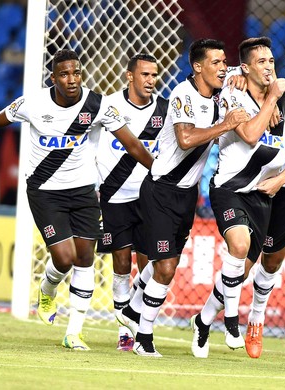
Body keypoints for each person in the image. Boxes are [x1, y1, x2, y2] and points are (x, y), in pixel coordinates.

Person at [0, 49, 154, 351]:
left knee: (85, 257)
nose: (72, 79)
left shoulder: (97, 105)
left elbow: (131, 143)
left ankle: (74, 332)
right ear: (53, 78)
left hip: (83, 191)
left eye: (76, 73)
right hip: (44, 191)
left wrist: (159, 173)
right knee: (64, 258)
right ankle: (48, 288)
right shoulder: (33, 103)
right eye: (64, 74)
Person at [115, 38, 250, 357]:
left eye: (224, 62)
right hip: (162, 189)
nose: (222, 67)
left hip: (186, 194)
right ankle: (143, 339)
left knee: (166, 258)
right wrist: (224, 125)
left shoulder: (220, 87)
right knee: (166, 266)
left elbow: (246, 69)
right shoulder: (182, 95)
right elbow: (186, 138)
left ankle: (132, 310)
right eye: (216, 63)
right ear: (198, 67)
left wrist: (241, 72)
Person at [190, 37, 285, 359]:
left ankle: (202, 321)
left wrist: (282, 179)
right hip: (229, 190)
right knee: (239, 245)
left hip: (262, 196)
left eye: (272, 61)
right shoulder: (234, 92)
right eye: (261, 62)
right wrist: (271, 98)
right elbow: (248, 134)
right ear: (245, 68)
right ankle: (232, 322)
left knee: (239, 273)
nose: (269, 67)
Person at [95, 53, 167, 351]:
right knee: (122, 264)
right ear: (129, 76)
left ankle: (133, 316)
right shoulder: (108, 106)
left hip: (150, 197)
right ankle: (125, 332)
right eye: (145, 75)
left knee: (150, 264)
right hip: (114, 196)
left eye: (154, 75)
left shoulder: (165, 110)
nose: (151, 80)